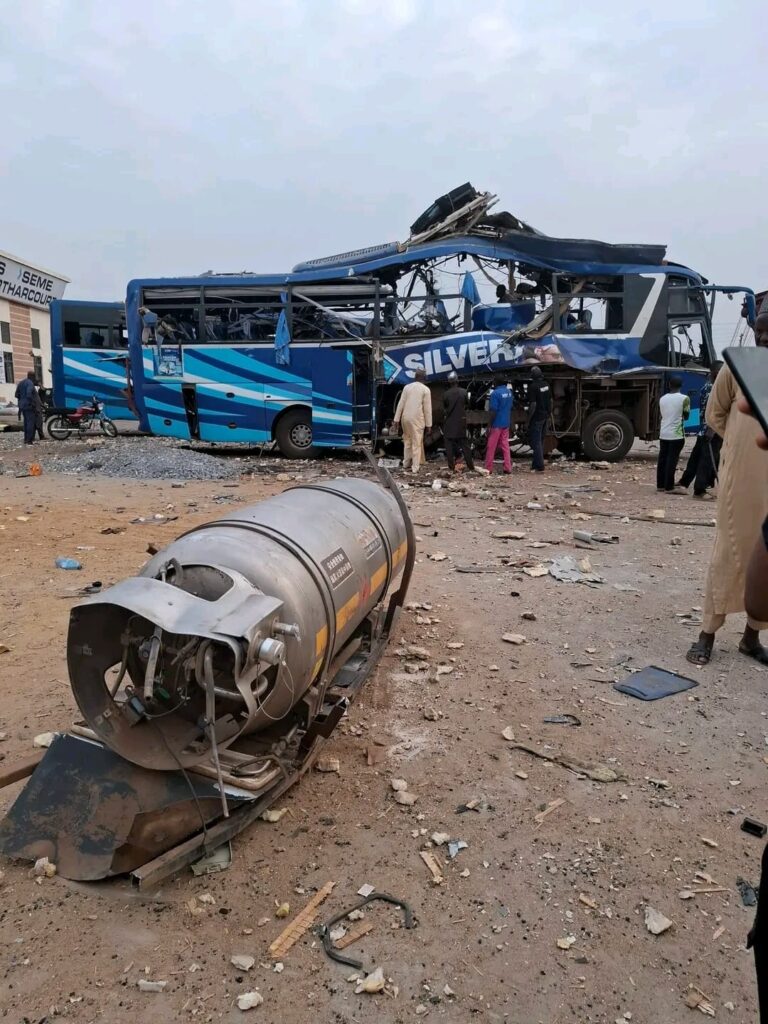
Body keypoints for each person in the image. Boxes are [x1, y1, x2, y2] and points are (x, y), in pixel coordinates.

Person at [686, 312, 768, 664]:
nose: (764, 338)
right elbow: (715, 416)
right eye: (760, 331)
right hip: (742, 476)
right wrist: (737, 445)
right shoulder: (734, 370)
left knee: (765, 557)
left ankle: (752, 638)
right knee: (728, 550)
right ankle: (707, 633)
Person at [678, 362, 723, 499]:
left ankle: (683, 483)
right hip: (712, 430)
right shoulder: (715, 389)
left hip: (703, 429)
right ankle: (699, 490)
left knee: (696, 458)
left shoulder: (706, 387)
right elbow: (715, 411)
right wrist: (712, 428)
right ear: (716, 373)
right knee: (707, 460)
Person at [442, 371, 484, 474]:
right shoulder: (464, 392)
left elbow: (445, 409)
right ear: (457, 381)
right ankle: (470, 466)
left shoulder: (445, 394)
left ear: (449, 382)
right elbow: (467, 404)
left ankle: (451, 467)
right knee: (465, 445)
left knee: (449, 446)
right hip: (461, 422)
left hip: (449, 423)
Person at [393, 368, 432, 475]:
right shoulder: (426, 390)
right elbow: (427, 409)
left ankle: (406, 464)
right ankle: (415, 467)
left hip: (405, 418)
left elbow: (401, 404)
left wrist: (396, 419)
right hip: (417, 419)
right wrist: (429, 425)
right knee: (416, 443)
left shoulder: (407, 387)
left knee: (407, 441)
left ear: (415, 377)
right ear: (424, 378)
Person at [657, 377, 690, 492]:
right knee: (672, 460)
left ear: (669, 385)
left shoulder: (662, 399)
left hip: (664, 433)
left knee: (662, 459)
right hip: (677, 435)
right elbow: (686, 416)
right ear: (681, 385)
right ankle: (669, 486)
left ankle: (660, 485)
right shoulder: (685, 399)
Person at [484, 380, 514, 474]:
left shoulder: (495, 394)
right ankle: (508, 467)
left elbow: (493, 411)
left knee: (491, 446)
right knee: (505, 445)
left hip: (496, 424)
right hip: (506, 423)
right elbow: (510, 407)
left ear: (496, 383)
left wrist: (489, 425)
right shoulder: (509, 392)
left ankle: (488, 468)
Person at [527, 366, 550, 472]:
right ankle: (535, 464)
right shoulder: (546, 385)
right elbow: (551, 400)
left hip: (537, 417)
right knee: (540, 440)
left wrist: (529, 418)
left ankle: (540, 465)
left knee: (536, 441)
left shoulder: (533, 387)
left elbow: (533, 404)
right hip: (545, 415)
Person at [14, 371, 38, 445]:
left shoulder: (21, 383)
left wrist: (21, 400)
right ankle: (29, 440)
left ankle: (26, 439)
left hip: (22, 406)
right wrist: (33, 403)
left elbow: (16, 394)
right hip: (29, 406)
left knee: (26, 423)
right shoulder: (30, 383)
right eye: (34, 377)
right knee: (30, 423)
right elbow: (29, 394)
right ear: (32, 376)